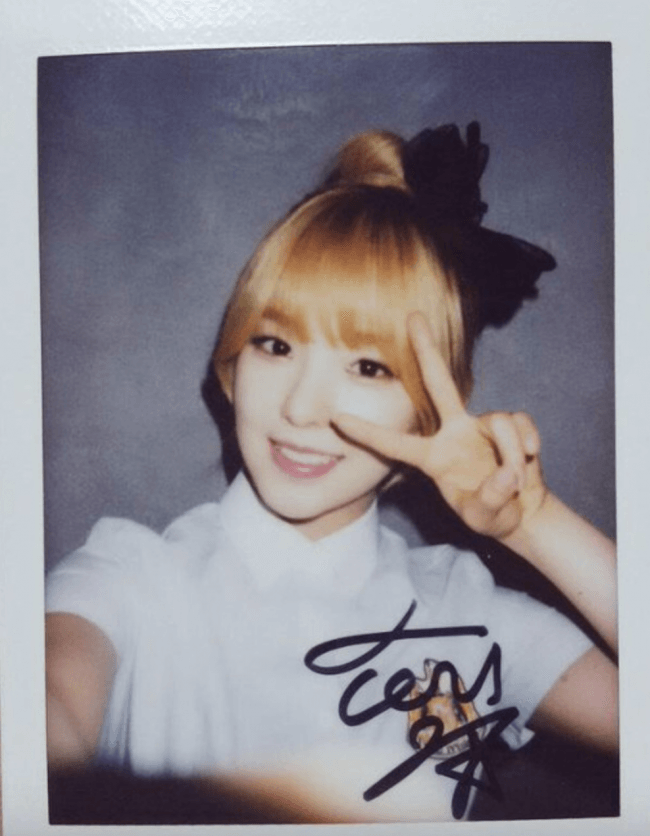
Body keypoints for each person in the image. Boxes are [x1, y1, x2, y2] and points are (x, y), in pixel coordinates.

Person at [45, 124, 617, 823]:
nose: (300, 408)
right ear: (232, 366)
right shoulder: (128, 580)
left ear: (428, 412)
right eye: (275, 344)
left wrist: (534, 525)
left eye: (368, 366)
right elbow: (43, 719)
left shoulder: (468, 613)